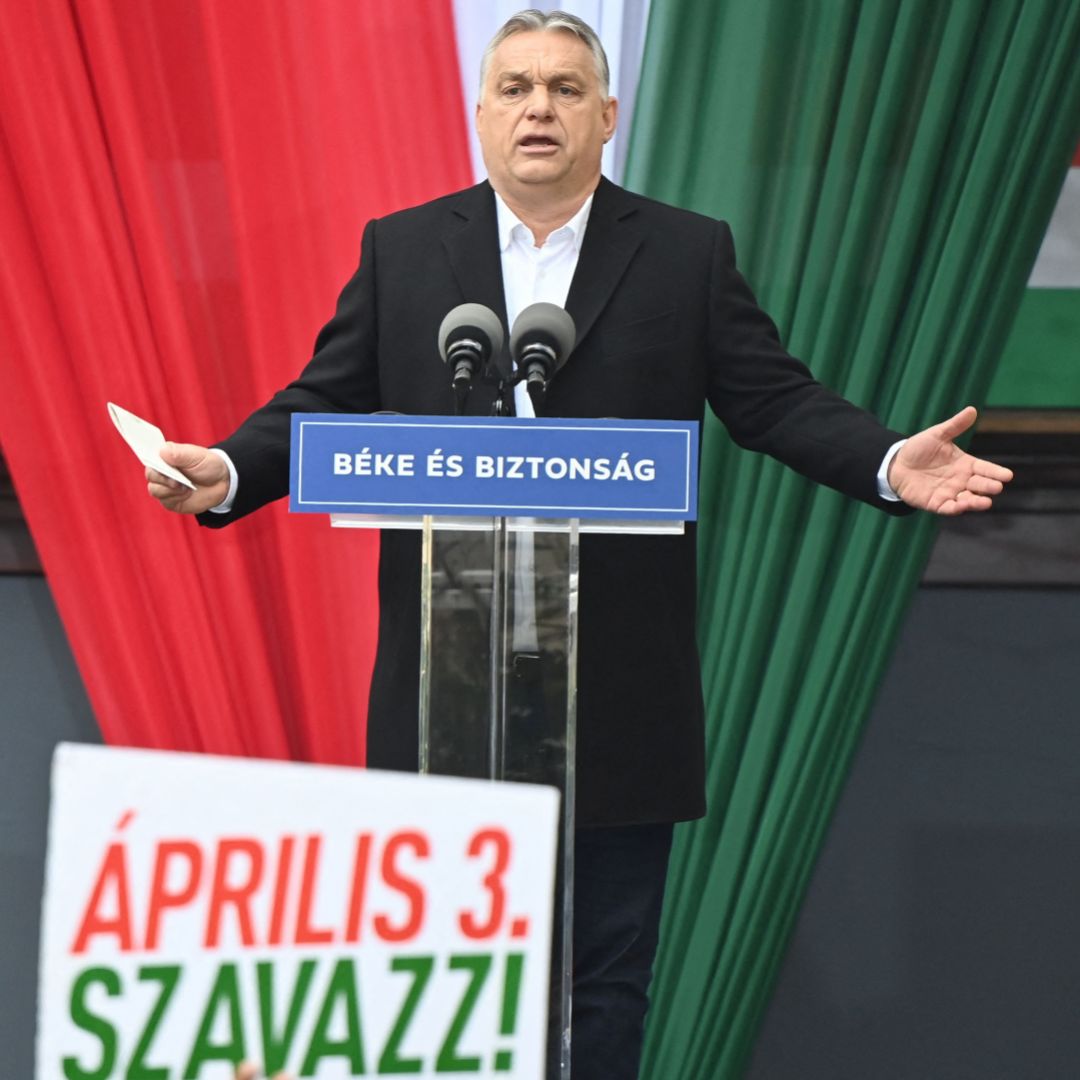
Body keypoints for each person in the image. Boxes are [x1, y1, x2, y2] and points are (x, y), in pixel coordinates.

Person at [147, 10, 1012, 1078]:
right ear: (480, 116)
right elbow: (324, 400)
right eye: (514, 88)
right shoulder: (407, 249)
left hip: (617, 687)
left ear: (609, 115)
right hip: (446, 689)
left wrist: (885, 461)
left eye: (564, 88)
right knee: (443, 978)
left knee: (600, 985)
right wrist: (228, 470)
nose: (539, 108)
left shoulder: (685, 253)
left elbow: (773, 401)